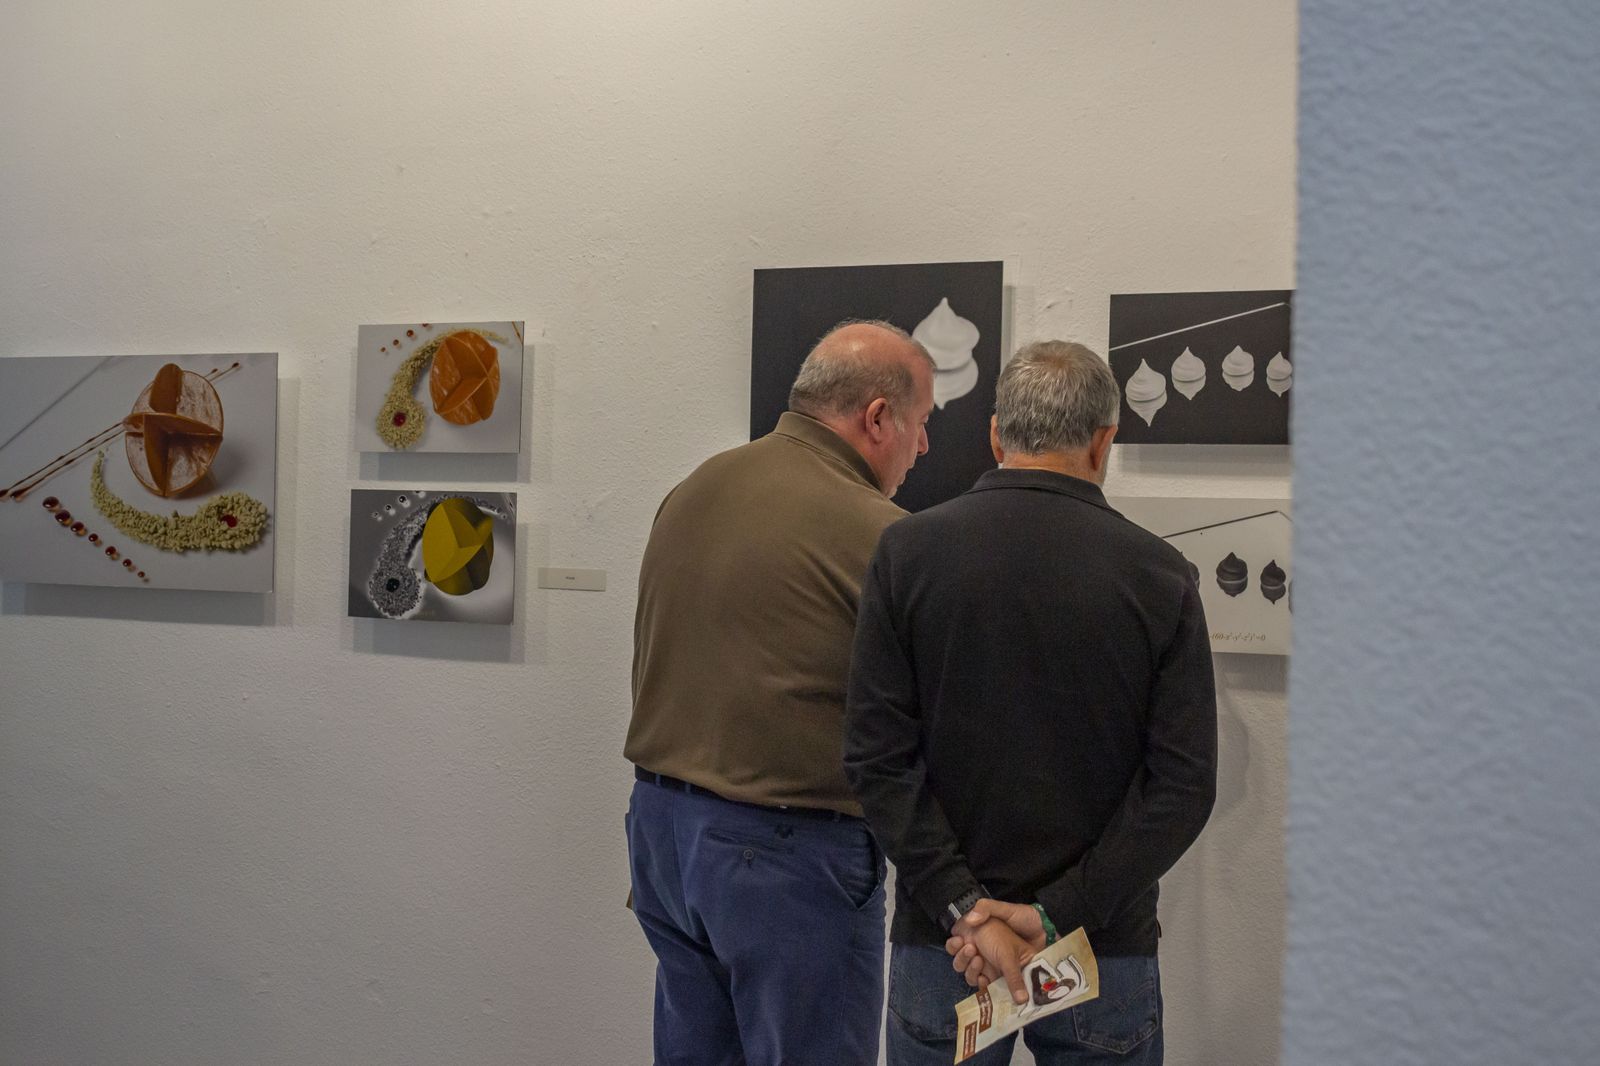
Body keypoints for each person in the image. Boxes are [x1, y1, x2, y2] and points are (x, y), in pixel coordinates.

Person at [844, 340, 1217, 1065]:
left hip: (947, 946)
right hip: (1098, 947)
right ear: (1104, 441)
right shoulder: (1160, 575)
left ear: (994, 435)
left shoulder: (907, 555)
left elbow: (877, 760)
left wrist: (968, 909)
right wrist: (1053, 916)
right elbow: (1182, 786)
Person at [625, 321, 936, 1066]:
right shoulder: (881, 533)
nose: (924, 446)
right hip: (785, 854)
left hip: (664, 836)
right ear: (878, 418)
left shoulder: (695, 486)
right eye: (922, 422)